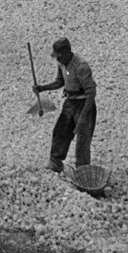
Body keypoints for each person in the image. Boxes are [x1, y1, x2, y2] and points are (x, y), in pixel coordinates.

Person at [32, 38, 98, 175]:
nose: (57, 59)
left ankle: (82, 170)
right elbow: (59, 82)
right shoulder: (61, 64)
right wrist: (42, 88)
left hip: (84, 103)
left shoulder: (81, 66)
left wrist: (83, 116)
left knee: (82, 139)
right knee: (61, 131)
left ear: (67, 53)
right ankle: (55, 162)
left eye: (59, 56)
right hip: (70, 102)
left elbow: (91, 92)